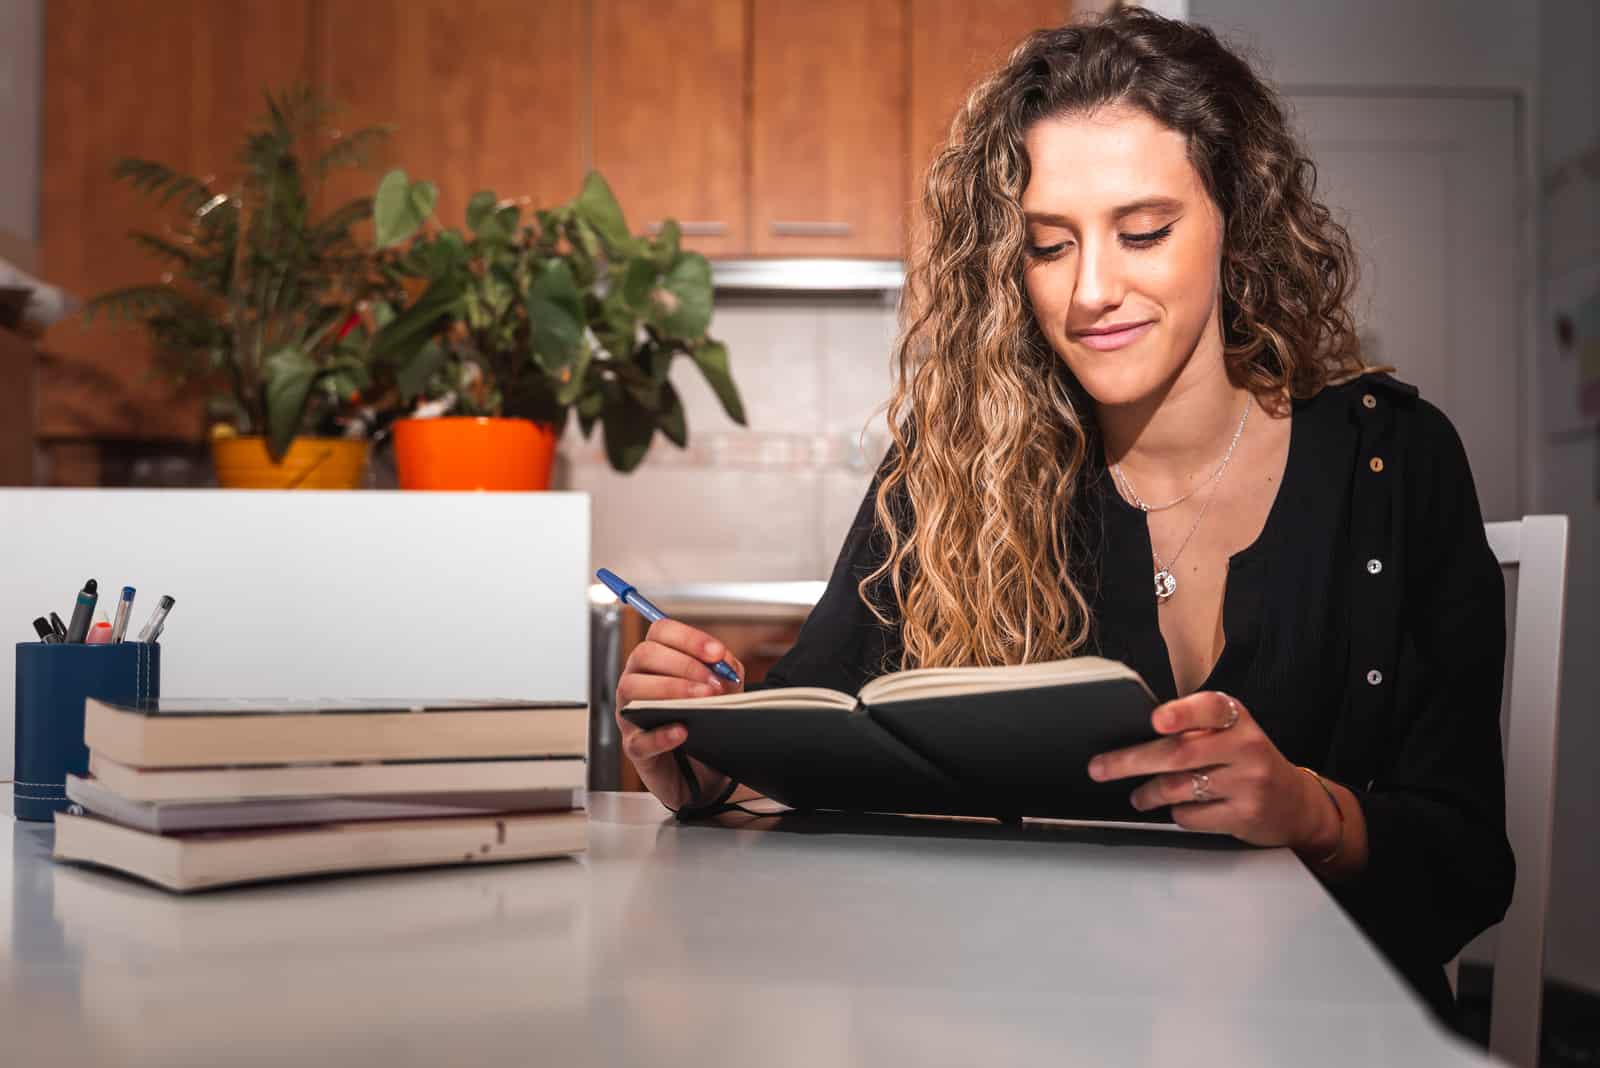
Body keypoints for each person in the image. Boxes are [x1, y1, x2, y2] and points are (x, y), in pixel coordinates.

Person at [613, 6, 1512, 1027]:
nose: (1091, 290)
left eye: (1143, 231)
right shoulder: (953, 470)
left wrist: (1313, 813)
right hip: (1034, 1019)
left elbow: (1466, 863)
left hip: (1327, 1026)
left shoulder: (1394, 464)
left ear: (1233, 219)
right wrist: (699, 764)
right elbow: (809, 763)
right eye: (1048, 246)